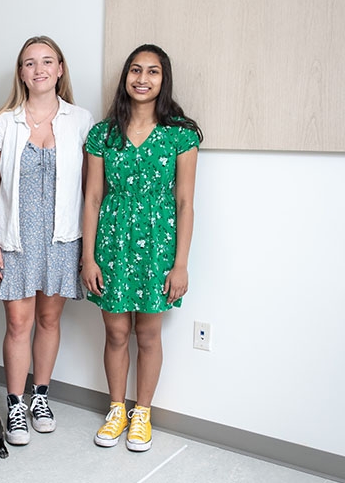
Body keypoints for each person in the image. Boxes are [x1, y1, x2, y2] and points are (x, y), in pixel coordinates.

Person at [81, 44, 201, 452]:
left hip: (158, 245)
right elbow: (92, 199)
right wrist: (88, 256)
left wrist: (180, 264)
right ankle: (117, 408)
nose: (142, 79)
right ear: (125, 77)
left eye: (152, 71)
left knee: (148, 333)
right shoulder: (103, 134)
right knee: (115, 331)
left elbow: (185, 203)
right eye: (135, 70)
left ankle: (142, 413)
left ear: (163, 79)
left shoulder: (180, 134)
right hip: (112, 241)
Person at [0, 36, 93, 446]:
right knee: (18, 323)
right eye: (30, 63)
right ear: (21, 72)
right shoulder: (3, 122)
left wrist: (89, 247)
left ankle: (40, 396)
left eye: (47, 61)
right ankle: (14, 402)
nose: (39, 69)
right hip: (15, 239)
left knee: (49, 320)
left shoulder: (81, 121)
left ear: (60, 69)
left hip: (63, 238)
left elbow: (90, 188)